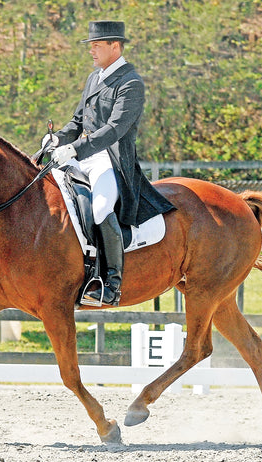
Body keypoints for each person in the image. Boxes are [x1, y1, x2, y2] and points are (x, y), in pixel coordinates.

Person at [44, 20, 175, 306]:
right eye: (90, 46)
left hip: (111, 160)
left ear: (115, 46)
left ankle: (112, 283)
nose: (91, 51)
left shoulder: (131, 83)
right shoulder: (95, 77)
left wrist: (75, 149)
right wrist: (57, 139)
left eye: (97, 46)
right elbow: (78, 121)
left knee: (102, 208)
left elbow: (115, 129)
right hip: (83, 155)